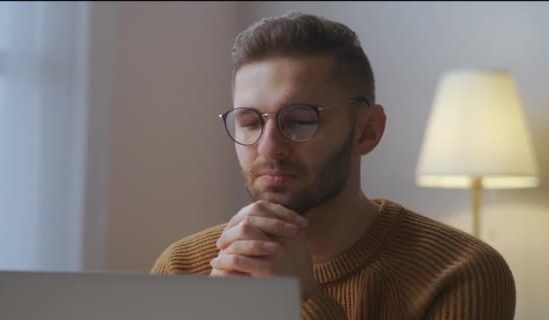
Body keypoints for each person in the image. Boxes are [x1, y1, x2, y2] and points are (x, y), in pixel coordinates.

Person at [151, 12, 516, 319]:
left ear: (367, 131)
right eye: (250, 122)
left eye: (300, 120)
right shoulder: (183, 267)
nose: (268, 147)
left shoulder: (460, 272)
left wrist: (302, 302)